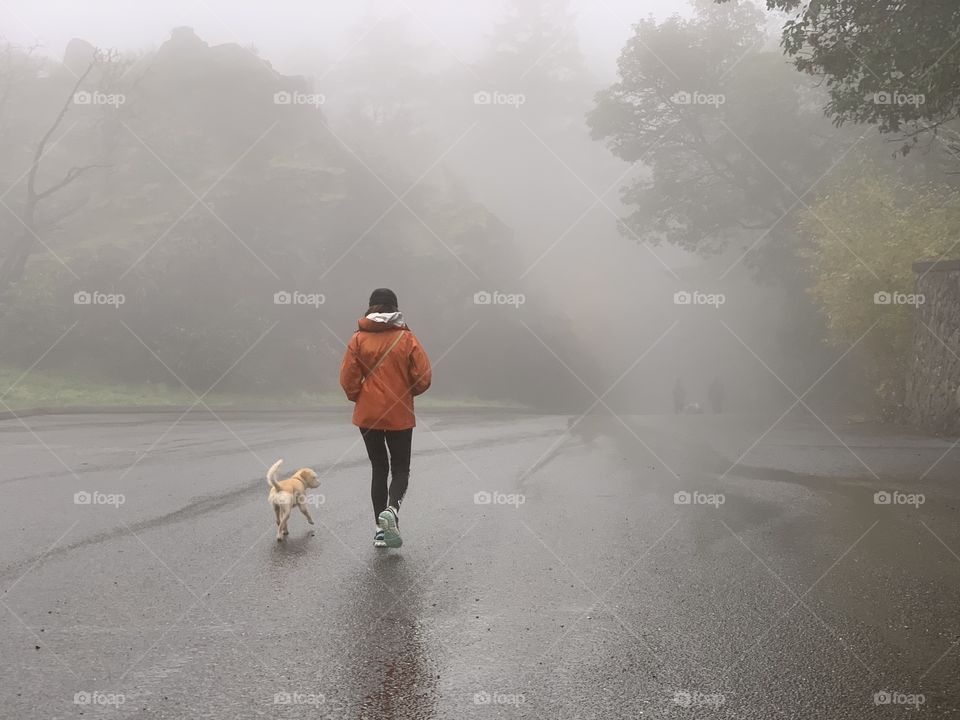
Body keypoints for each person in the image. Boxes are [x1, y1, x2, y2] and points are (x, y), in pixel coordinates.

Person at [339, 288, 432, 548]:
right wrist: (405, 392)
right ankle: (392, 511)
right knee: (400, 469)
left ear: (370, 307)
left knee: (379, 468)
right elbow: (423, 377)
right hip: (399, 414)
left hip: (368, 415)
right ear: (395, 308)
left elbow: (348, 379)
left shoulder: (358, 339)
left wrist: (360, 396)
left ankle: (380, 530)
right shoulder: (407, 338)